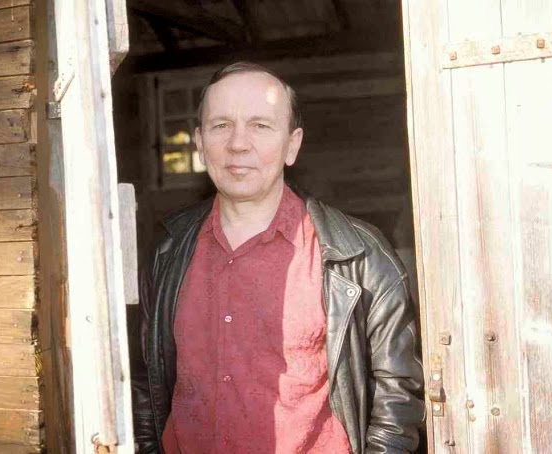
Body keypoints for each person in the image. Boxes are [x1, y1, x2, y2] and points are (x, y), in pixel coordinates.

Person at [133, 62, 424, 453]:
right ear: (200, 142)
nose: (238, 144)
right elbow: (144, 384)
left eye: (260, 125)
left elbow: (398, 398)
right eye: (221, 125)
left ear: (292, 144)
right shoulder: (167, 253)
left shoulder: (360, 255)